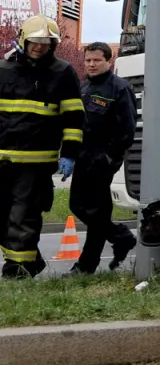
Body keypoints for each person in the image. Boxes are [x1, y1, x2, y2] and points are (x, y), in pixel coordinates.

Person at [0, 15, 84, 278]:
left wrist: (69, 154)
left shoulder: (63, 72)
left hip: (35, 162)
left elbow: (74, 117)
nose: (40, 47)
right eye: (36, 42)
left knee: (23, 216)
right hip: (2, 158)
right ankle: (30, 260)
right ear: (23, 39)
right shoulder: (3, 69)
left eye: (46, 43)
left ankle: (19, 269)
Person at [68, 42, 138, 274]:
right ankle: (121, 237)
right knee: (79, 206)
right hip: (83, 155)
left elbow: (127, 128)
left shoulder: (119, 88)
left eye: (97, 60)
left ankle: (86, 266)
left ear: (109, 60)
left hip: (102, 157)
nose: (91, 64)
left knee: (94, 210)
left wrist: (111, 156)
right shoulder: (84, 87)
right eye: (88, 60)